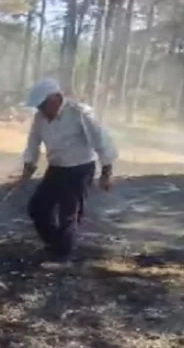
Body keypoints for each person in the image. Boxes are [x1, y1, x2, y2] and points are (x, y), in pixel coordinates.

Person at [21, 78, 118, 261]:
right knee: (38, 207)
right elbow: (33, 142)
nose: (41, 110)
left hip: (80, 169)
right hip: (57, 168)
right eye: (39, 107)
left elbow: (102, 141)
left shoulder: (79, 113)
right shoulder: (40, 117)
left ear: (56, 98)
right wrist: (28, 167)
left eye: (43, 105)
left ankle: (62, 255)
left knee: (69, 214)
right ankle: (54, 243)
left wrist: (106, 173)